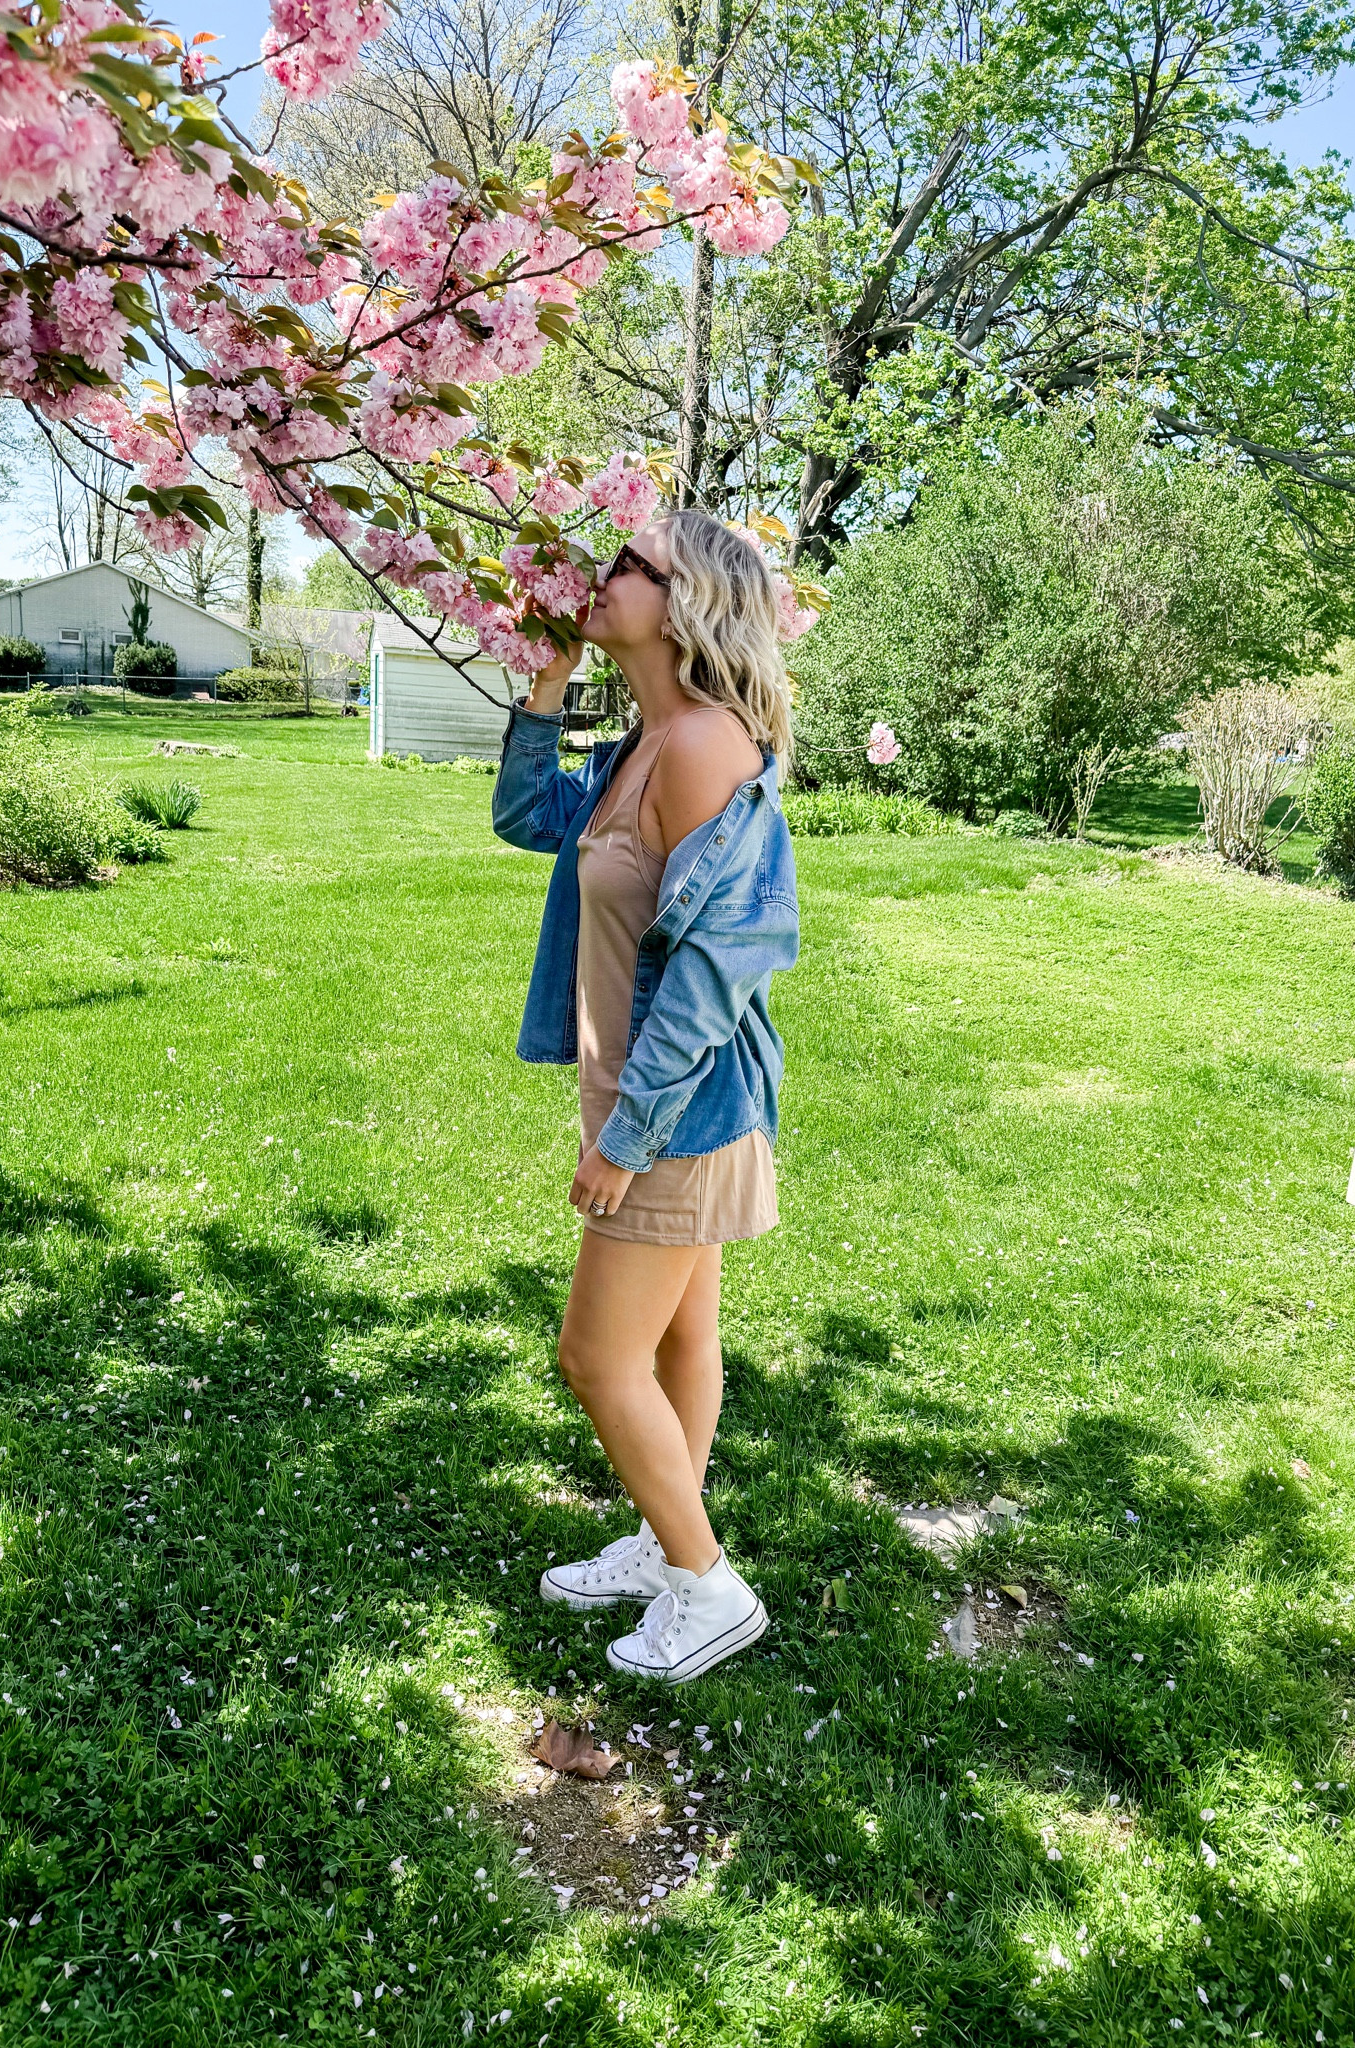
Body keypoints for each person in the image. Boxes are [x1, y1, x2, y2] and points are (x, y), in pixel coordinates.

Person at [491, 509, 800, 1685]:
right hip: (654, 1107)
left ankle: (707, 1584)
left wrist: (627, 1136)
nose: (599, 572)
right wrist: (547, 682)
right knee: (679, 1336)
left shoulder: (706, 744)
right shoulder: (647, 742)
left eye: (629, 563)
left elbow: (721, 966)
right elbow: (528, 817)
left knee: (593, 1356)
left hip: (675, 1114)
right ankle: (666, 1543)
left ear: (690, 605)